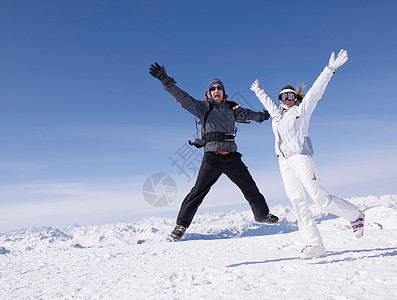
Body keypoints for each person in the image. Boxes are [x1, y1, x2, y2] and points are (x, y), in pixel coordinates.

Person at [250, 50, 365, 259]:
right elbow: (268, 103)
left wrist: (329, 69)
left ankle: (355, 215)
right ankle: (315, 245)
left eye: (291, 96)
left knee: (320, 198)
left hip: (301, 158)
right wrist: (258, 91)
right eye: (284, 96)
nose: (287, 99)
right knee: (297, 202)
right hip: (283, 163)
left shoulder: (301, 111)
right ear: (280, 99)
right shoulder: (276, 115)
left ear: (296, 98)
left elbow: (316, 91)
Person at [149, 62, 279, 240]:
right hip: (212, 158)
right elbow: (184, 99)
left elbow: (248, 114)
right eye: (213, 88)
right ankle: (181, 225)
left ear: (223, 91)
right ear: (209, 93)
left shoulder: (232, 109)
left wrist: (261, 117)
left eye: (219, 88)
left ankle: (261, 214)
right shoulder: (203, 107)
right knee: (198, 191)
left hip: (232, 157)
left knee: (249, 186)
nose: (216, 90)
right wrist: (166, 82)